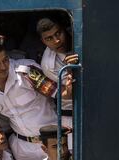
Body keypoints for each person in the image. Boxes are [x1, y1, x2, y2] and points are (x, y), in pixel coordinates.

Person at [0, 35, 72, 160]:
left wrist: (70, 85)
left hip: (51, 143)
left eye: (5, 60)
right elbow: (1, 107)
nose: (3, 67)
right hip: (23, 149)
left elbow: (60, 94)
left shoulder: (27, 73)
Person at [37, 18, 80, 150]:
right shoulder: (48, 64)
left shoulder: (78, 37)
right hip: (73, 114)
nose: (57, 40)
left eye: (58, 33)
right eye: (49, 38)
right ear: (43, 41)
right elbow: (74, 91)